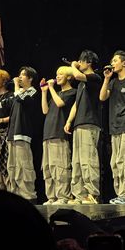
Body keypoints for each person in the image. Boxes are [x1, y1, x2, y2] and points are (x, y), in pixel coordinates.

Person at [0, 66, 38, 201]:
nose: (20, 77)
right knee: (12, 168)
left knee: (24, 166)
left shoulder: (31, 91)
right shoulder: (17, 94)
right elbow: (3, 104)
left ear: (30, 78)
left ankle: (28, 196)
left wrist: (16, 85)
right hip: (12, 135)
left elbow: (20, 97)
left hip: (22, 133)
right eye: (19, 75)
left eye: (23, 75)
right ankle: (16, 197)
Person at [99, 50, 125, 204]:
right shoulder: (113, 82)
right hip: (114, 126)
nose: (112, 62)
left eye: (115, 60)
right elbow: (102, 97)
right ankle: (120, 194)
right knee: (115, 162)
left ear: (124, 63)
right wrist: (106, 78)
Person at [64, 49, 102, 205]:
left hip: (90, 122)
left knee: (88, 159)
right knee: (77, 161)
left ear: (88, 62)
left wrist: (73, 65)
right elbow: (76, 104)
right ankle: (79, 195)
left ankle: (92, 193)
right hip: (79, 123)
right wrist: (68, 121)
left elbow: (78, 75)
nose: (78, 63)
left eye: (81, 60)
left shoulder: (94, 77)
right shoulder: (81, 84)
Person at [41, 66, 77, 205]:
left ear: (69, 77)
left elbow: (60, 104)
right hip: (48, 134)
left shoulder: (71, 92)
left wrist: (50, 88)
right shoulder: (56, 94)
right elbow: (45, 111)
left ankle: (63, 196)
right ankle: (52, 197)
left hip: (59, 133)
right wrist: (44, 92)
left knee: (60, 167)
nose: (57, 76)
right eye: (56, 74)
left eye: (61, 74)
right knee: (48, 168)